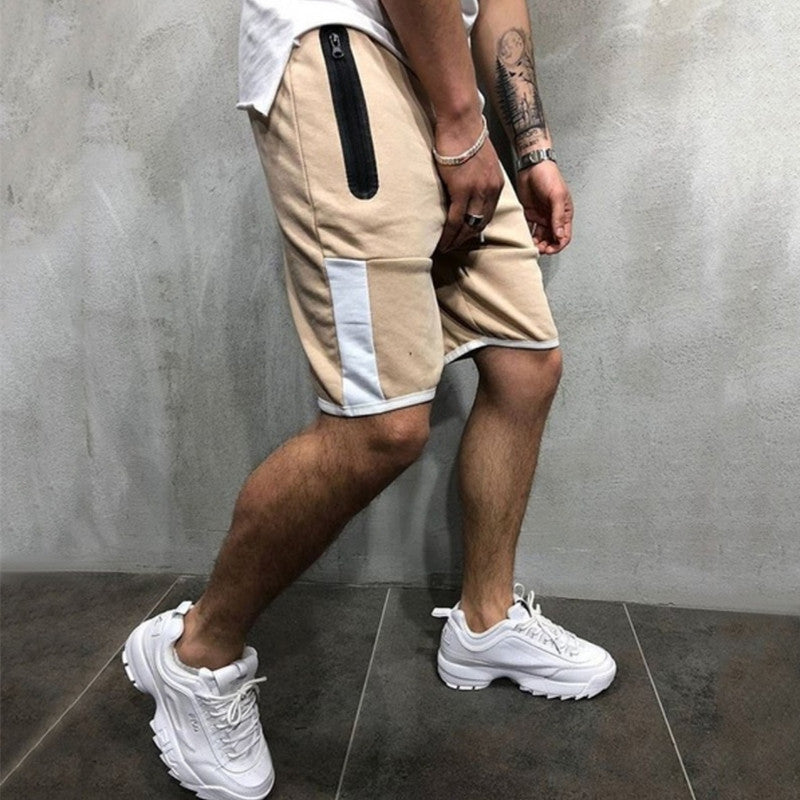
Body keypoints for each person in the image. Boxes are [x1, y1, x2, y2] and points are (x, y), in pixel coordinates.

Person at [121, 1, 617, 798]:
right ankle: (195, 652)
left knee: (526, 366)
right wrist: (460, 122)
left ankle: (485, 623)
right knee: (383, 426)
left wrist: (531, 150)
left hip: (443, 78)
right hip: (348, 47)